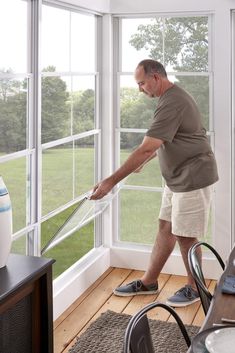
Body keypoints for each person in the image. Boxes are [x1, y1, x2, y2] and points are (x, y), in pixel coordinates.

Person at [90, 59, 218, 307]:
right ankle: (149, 282)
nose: (140, 89)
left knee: (186, 235)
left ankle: (195, 288)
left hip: (193, 176)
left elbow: (147, 146)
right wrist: (146, 162)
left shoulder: (173, 102)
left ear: (156, 78)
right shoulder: (169, 98)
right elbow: (172, 139)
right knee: (165, 227)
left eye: (141, 83)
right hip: (177, 177)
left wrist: (110, 181)